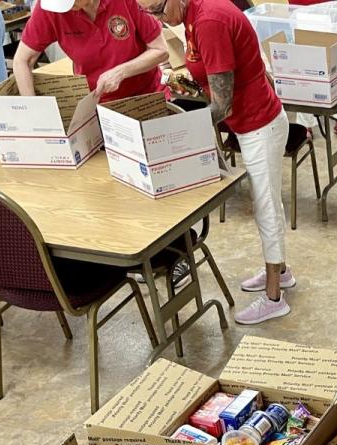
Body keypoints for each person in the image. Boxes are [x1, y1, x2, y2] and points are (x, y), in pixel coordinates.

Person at [138, 0, 295, 324]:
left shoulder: (209, 21)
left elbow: (221, 106)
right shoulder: (194, 15)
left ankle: (274, 297)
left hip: (258, 124)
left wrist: (177, 130)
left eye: (157, 10)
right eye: (148, 12)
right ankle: (280, 272)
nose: (157, 19)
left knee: (266, 207)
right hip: (252, 121)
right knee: (269, 202)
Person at [13, 0, 167, 102]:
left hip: (146, 96)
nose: (65, 10)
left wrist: (121, 72)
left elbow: (160, 50)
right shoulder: (49, 8)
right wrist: (32, 108)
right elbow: (22, 61)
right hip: (98, 104)